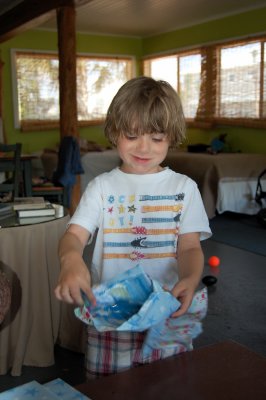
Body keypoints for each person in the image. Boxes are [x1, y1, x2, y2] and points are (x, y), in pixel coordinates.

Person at [55, 76, 212, 379]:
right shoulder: (101, 187)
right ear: (114, 132)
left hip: (167, 311)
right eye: (132, 135)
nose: (144, 148)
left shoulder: (184, 188)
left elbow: (190, 247)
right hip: (113, 315)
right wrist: (70, 259)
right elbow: (74, 236)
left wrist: (191, 278)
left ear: (172, 137)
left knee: (169, 386)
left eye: (157, 138)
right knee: (110, 388)